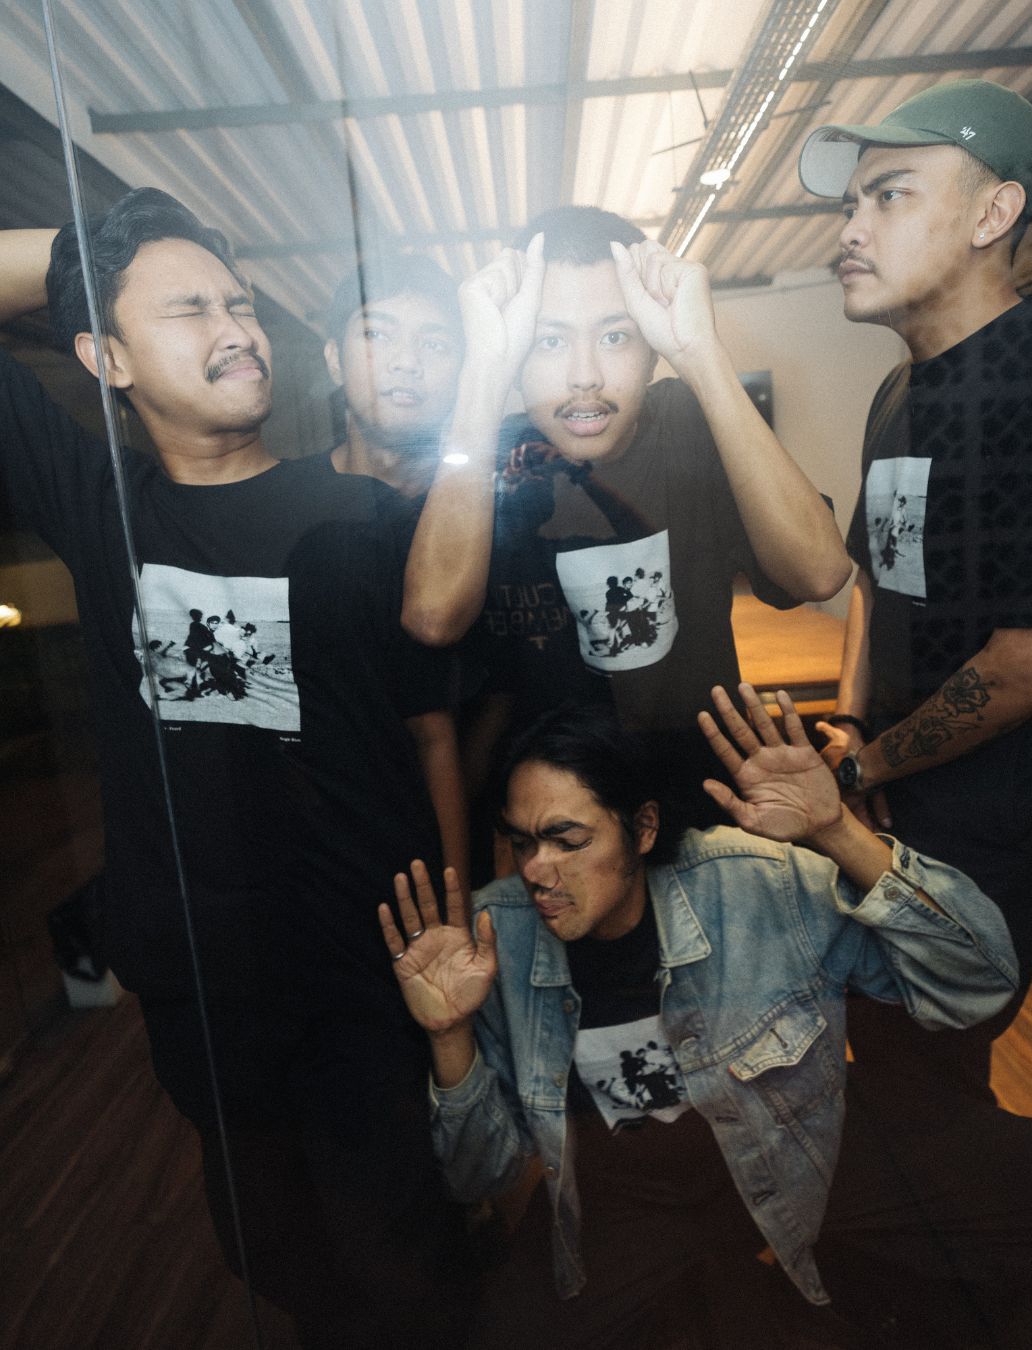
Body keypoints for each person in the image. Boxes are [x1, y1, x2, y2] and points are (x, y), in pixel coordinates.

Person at [0, 190, 472, 1346]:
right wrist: (95, 246)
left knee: (410, 1266)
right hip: (207, 990)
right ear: (106, 358)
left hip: (366, 972)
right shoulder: (104, 510)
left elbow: (431, 733)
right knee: (285, 1262)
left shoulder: (364, 515)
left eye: (242, 303)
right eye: (190, 309)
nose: (236, 329)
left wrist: (460, 909)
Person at [380, 688, 1032, 1348]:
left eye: (568, 840)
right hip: (632, 1196)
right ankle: (724, 1289)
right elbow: (479, 1177)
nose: (537, 869)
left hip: (798, 1140)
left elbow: (978, 979)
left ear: (643, 828)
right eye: (523, 842)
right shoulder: (495, 938)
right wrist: (450, 1036)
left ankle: (843, 1301)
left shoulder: (754, 881)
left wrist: (839, 830)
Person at [798, 79, 1032, 1096]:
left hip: (998, 810)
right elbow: (875, 582)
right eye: (851, 203)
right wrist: (848, 726)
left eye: (891, 195)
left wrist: (864, 767)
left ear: (993, 214)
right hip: (892, 786)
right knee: (888, 1056)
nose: (851, 229)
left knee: (930, 1065)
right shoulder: (898, 388)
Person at [403, 207, 851, 828]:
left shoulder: (690, 421)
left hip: (703, 811)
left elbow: (819, 573)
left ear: (651, 351)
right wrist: (484, 371)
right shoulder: (495, 454)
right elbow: (433, 618)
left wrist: (701, 354)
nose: (584, 376)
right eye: (549, 341)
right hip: (555, 834)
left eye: (615, 337)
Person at [321, 248, 463, 502]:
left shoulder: (498, 503)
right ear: (334, 360)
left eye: (434, 344)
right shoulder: (281, 499)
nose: (407, 362)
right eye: (375, 334)